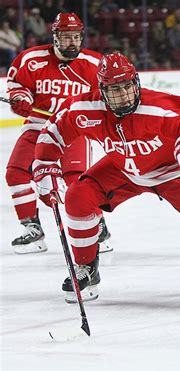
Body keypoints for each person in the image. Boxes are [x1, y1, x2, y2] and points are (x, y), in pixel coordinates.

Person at [33, 52, 180, 304]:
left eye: (127, 87)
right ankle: (86, 269)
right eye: (115, 90)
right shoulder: (85, 108)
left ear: (136, 83)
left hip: (170, 172)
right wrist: (44, 163)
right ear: (102, 91)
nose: (124, 95)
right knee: (77, 196)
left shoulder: (157, 108)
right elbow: (55, 130)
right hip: (122, 169)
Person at [5, 12, 112, 254]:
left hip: (73, 130)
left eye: (76, 36)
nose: (72, 42)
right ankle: (32, 229)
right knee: (16, 173)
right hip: (37, 125)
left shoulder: (95, 64)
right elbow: (18, 86)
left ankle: (98, 227)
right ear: (55, 37)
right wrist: (20, 99)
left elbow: (104, 99)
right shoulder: (32, 58)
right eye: (66, 37)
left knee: (76, 182)